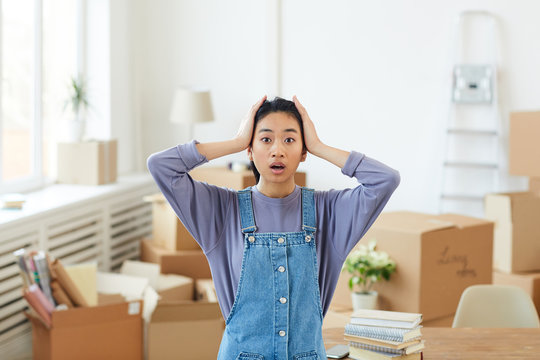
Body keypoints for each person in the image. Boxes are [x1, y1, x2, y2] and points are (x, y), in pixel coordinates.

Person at [147, 95, 400, 360]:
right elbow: (161, 166)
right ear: (250, 149)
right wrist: (235, 141)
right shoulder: (222, 210)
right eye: (265, 139)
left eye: (289, 139)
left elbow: (386, 180)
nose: (277, 150)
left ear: (303, 152)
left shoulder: (329, 211)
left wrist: (319, 146)